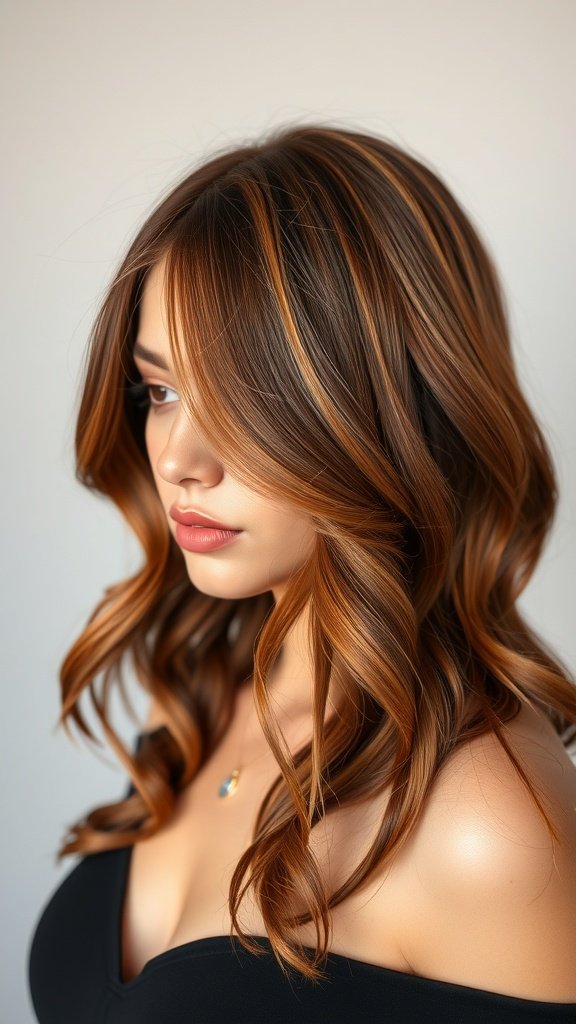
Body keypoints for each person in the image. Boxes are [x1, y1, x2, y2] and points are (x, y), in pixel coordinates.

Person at [28, 122, 576, 1022]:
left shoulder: (492, 825)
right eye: (161, 391)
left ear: (393, 404)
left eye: (245, 397)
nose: (178, 459)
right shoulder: (212, 688)